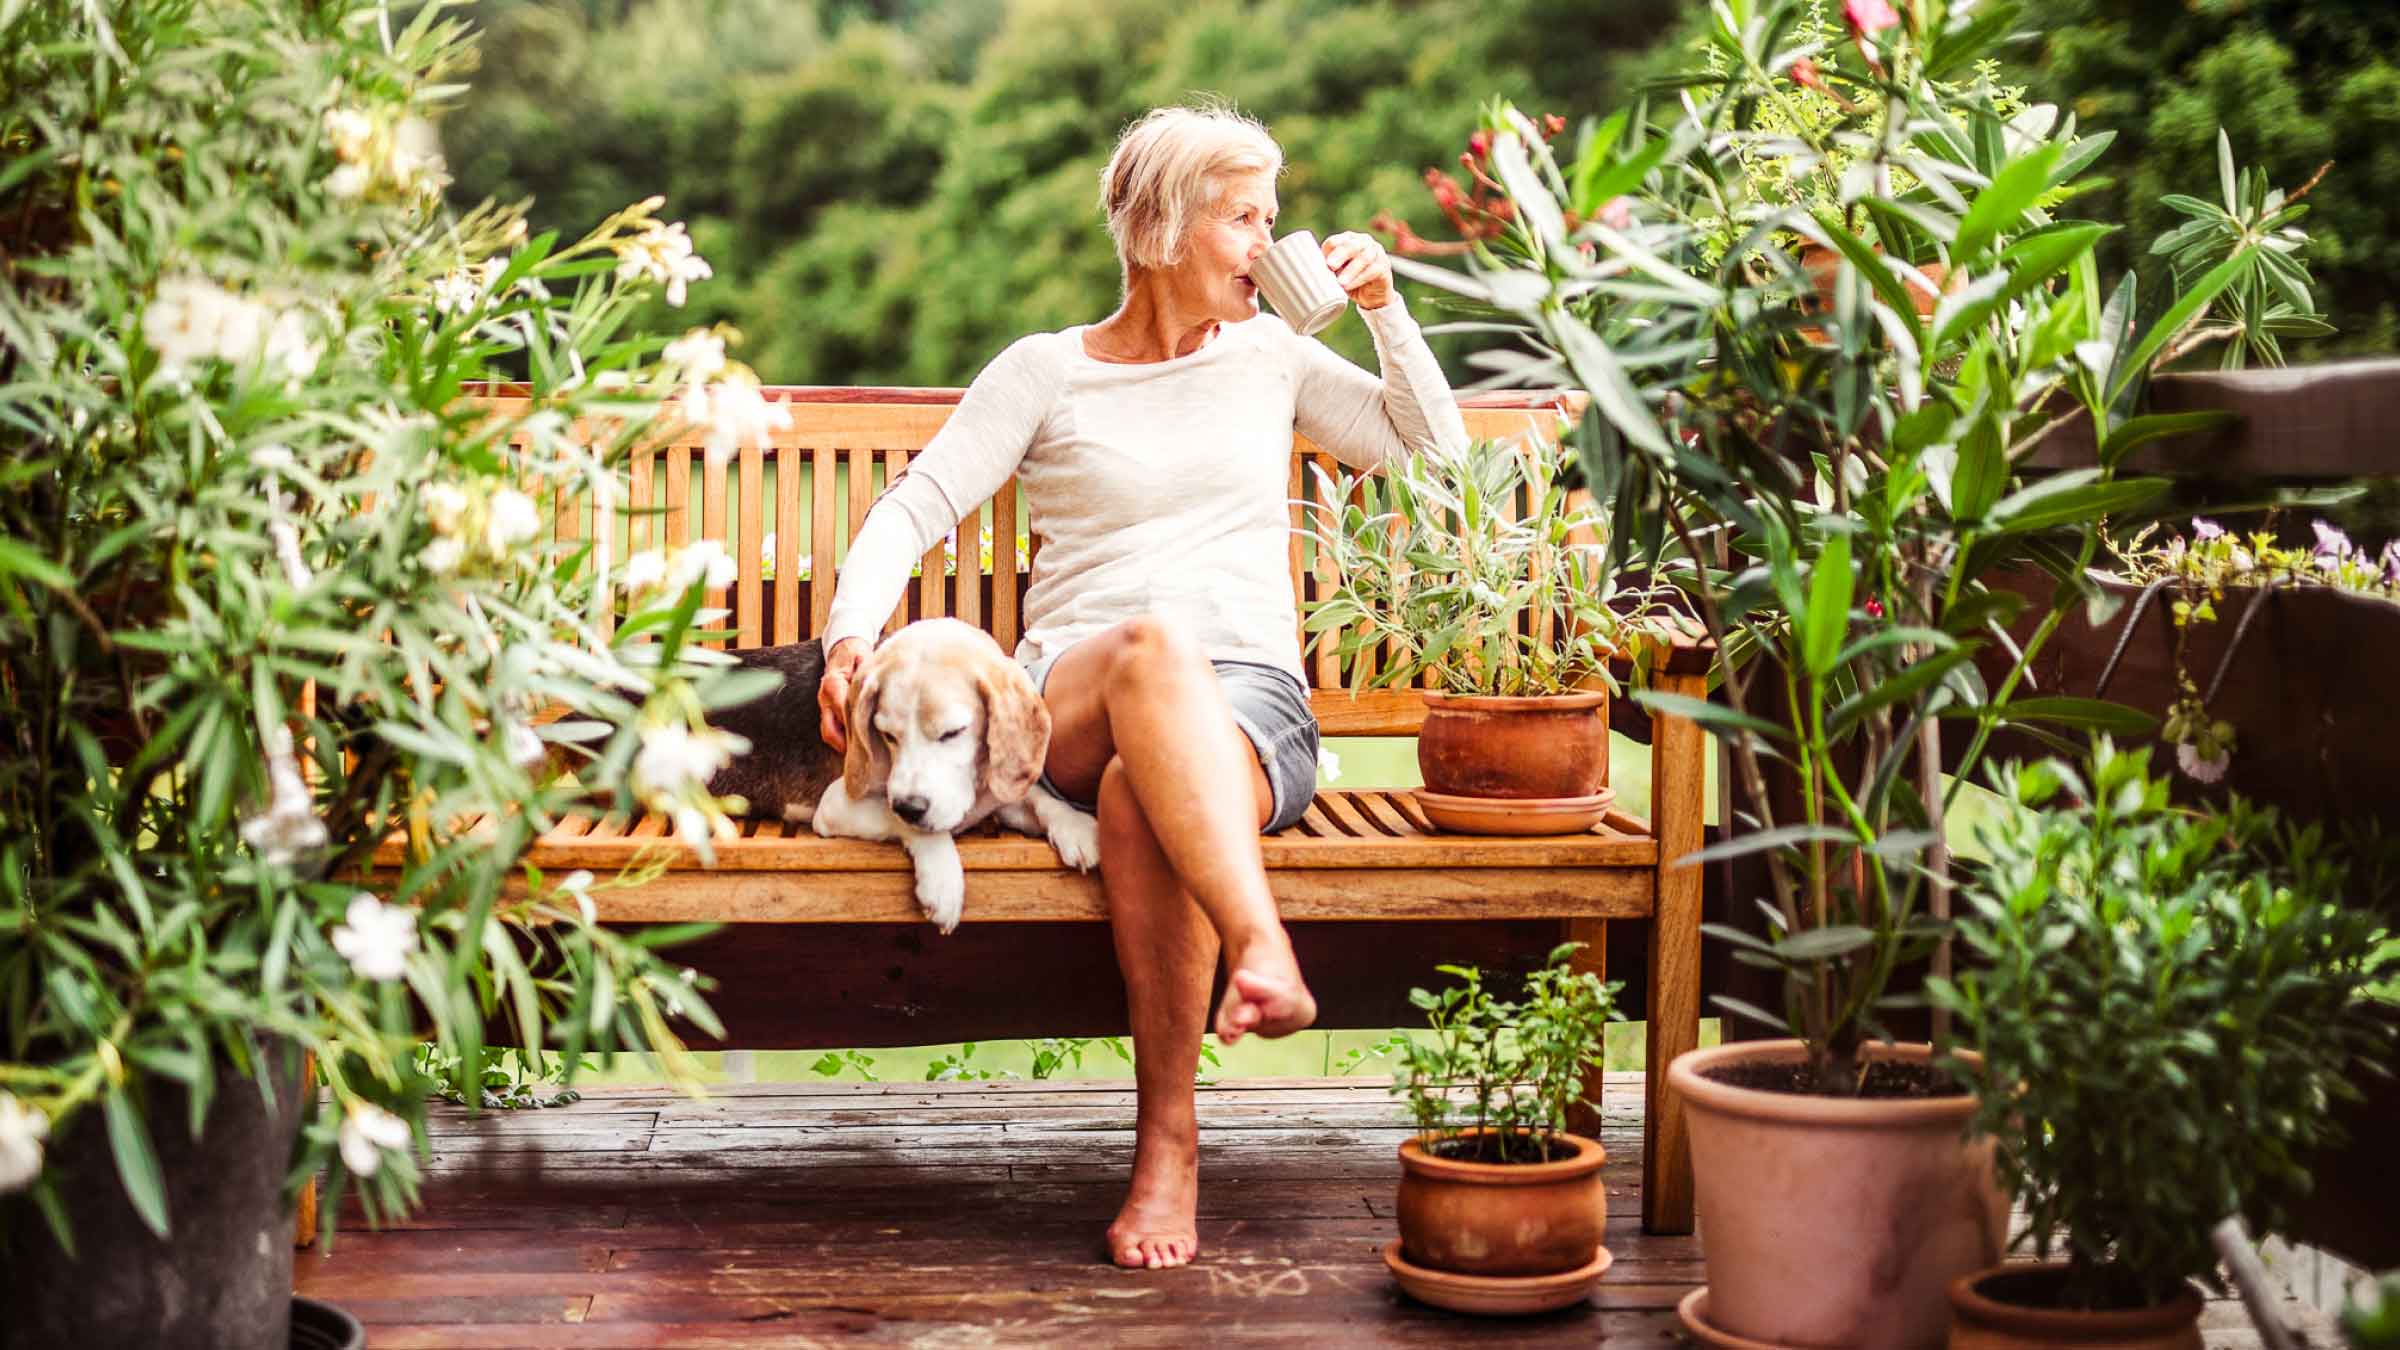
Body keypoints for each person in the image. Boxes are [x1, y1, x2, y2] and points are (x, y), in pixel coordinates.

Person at [815, 102, 1467, 1270]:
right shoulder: (1044, 373)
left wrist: (1384, 309)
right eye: (1244, 219)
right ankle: (1262, 946)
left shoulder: (1273, 357)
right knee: (1153, 652)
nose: (1271, 245)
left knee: (1135, 800)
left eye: (1275, 219)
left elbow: (1435, 460)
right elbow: (914, 506)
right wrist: (847, 639)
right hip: (1069, 695)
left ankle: (1169, 1149)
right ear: (1163, 228)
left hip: (1251, 705)